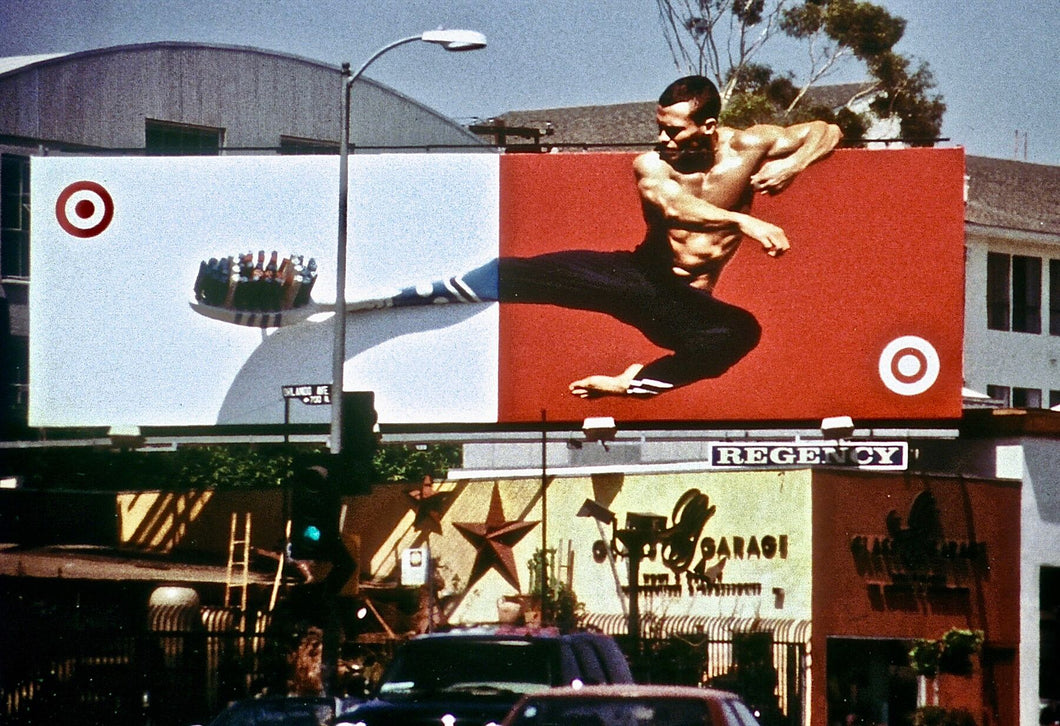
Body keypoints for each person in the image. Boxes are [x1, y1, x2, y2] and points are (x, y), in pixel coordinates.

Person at [371, 76, 841, 398]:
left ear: (710, 127)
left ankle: (634, 384)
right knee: (533, 272)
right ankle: (419, 292)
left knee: (741, 331)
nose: (664, 140)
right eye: (659, 128)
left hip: (681, 307)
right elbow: (674, 207)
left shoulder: (751, 146)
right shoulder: (652, 164)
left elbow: (826, 129)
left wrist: (794, 164)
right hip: (641, 277)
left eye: (675, 131)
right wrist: (746, 222)